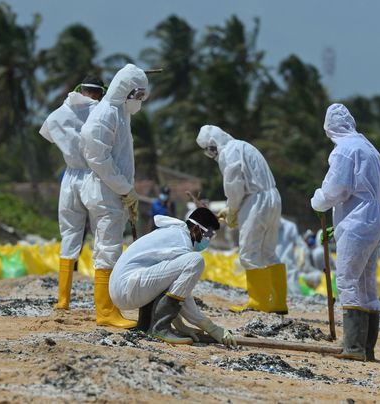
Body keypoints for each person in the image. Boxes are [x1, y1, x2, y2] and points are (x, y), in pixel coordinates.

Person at [310, 103, 380, 362]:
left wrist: (318, 201)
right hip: (375, 218)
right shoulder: (369, 147)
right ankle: (367, 348)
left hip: (358, 221)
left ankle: (353, 347)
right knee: (367, 283)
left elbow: (336, 190)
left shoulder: (344, 150)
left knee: (347, 280)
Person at [81, 63, 148, 328]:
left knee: (108, 248)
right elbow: (98, 157)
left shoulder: (120, 112)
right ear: (128, 91)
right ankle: (106, 312)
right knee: (108, 249)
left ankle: (109, 308)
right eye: (139, 96)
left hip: (113, 192)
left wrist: (126, 192)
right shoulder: (106, 113)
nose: (140, 102)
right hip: (105, 191)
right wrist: (125, 189)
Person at [110, 207, 237, 346]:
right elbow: (183, 294)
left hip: (124, 288)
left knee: (185, 264)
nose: (207, 240)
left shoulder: (174, 234)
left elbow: (171, 284)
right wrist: (211, 328)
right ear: (195, 229)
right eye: (207, 236)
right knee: (195, 260)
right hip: (127, 289)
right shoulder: (181, 242)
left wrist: (181, 326)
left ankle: (146, 325)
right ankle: (160, 328)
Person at [195, 125, 286, 313]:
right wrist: (232, 210)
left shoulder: (228, 152)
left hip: (256, 200)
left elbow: (235, 186)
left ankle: (259, 303)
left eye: (209, 151)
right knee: (268, 252)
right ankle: (278, 303)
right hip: (273, 198)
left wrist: (232, 210)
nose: (211, 155)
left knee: (248, 253)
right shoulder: (245, 146)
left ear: (212, 146)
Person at [40, 75, 105, 311]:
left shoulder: (61, 112)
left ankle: (63, 300)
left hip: (70, 176)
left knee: (69, 233)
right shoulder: (103, 110)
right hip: (94, 175)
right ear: (100, 92)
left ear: (80, 89)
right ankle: (103, 302)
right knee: (102, 235)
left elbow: (48, 133)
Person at [276, 217, 311, 296]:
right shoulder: (269, 225)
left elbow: (301, 245)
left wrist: (302, 257)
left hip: (287, 263)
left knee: (293, 291)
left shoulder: (289, 226)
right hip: (277, 263)